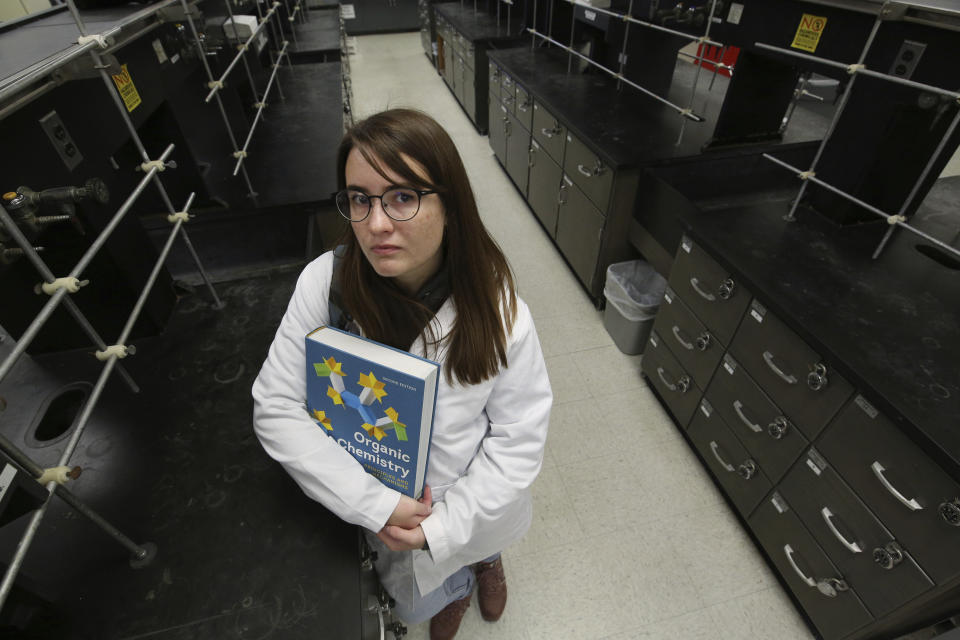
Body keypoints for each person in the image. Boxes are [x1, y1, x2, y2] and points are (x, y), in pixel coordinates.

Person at [252, 108, 552, 639]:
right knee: (414, 598)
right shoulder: (325, 285)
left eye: (403, 197)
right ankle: (452, 586)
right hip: (380, 501)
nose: (376, 224)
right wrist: (376, 503)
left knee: (474, 543)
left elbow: (516, 439)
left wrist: (444, 527)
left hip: (471, 502)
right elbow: (276, 407)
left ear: (450, 203)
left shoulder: (499, 313)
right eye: (359, 199)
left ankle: (484, 565)